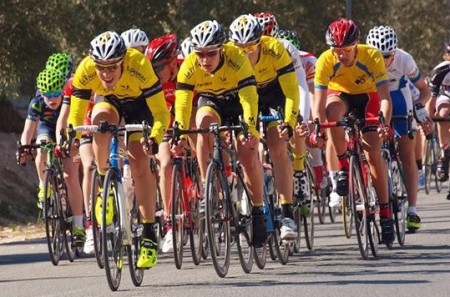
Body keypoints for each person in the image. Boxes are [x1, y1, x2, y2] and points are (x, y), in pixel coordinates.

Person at [67, 31, 169, 268]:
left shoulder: (140, 65)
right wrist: (70, 135)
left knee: (139, 163)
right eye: (101, 68)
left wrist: (154, 137)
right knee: (100, 126)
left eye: (112, 67)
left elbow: (162, 113)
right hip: (110, 102)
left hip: (139, 105)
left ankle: (148, 235)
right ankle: (105, 185)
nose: (106, 73)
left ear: (122, 61)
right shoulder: (86, 69)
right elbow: (76, 114)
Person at [173, 20, 267, 247]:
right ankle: (207, 187)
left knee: (247, 155)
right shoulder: (190, 65)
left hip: (238, 101)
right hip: (212, 101)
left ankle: (257, 210)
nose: (204, 60)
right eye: (200, 54)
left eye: (211, 54)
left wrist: (251, 128)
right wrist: (180, 133)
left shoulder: (237, 58)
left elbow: (249, 98)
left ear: (222, 49)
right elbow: (183, 103)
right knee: (201, 121)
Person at [312, 18, 395, 244]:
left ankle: (386, 213)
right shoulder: (325, 61)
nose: (341, 55)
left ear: (356, 45)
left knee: (373, 154)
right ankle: (342, 165)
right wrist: (317, 128)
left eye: (346, 50)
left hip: (369, 98)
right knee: (332, 113)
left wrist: (383, 124)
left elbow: (386, 98)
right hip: (341, 96)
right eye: (336, 50)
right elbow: (318, 103)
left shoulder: (372, 56)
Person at [228, 14, 299, 240]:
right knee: (246, 151)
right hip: (244, 97)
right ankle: (249, 209)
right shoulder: (228, 54)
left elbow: (291, 91)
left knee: (278, 147)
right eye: (240, 48)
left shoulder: (275, 49)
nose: (246, 53)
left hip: (271, 94)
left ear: (260, 42)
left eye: (251, 47)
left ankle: (287, 212)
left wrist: (289, 122)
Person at [366, 25, 432, 232]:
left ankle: (412, 210)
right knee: (369, 150)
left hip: (398, 96)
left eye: (387, 56)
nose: (383, 61)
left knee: (406, 154)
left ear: (394, 52)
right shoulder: (363, 59)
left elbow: (424, 89)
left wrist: (420, 106)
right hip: (374, 96)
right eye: (378, 55)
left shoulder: (405, 59)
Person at [145, 33, 198, 253]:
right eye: (152, 68)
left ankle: (203, 182)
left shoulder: (187, 68)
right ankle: (169, 223)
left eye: (158, 68)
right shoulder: (151, 78)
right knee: (165, 163)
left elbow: (197, 104)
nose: (154, 73)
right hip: (165, 117)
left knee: (197, 133)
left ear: (171, 62)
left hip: (189, 112)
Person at [254, 12, 311, 207]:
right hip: (254, 94)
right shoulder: (243, 51)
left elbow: (301, 88)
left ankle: (299, 169)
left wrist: (300, 121)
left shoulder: (286, 48)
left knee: (285, 135)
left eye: (268, 36)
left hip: (281, 92)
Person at [428, 41, 450, 196]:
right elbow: (432, 96)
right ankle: (444, 152)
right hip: (446, 94)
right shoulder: (441, 70)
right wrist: (428, 117)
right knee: (443, 113)